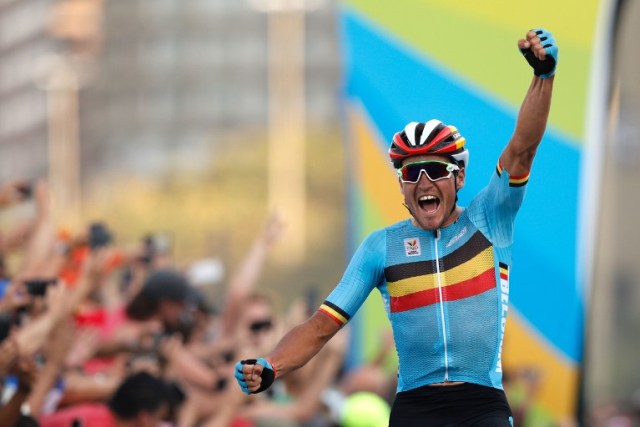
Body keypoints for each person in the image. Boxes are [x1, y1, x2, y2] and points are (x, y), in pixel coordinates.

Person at [235, 27, 559, 427]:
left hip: (482, 406)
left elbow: (522, 148)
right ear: (402, 188)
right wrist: (273, 365)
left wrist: (543, 76)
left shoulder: (490, 218)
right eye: (411, 173)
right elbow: (320, 327)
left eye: (436, 170)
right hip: (414, 409)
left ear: (459, 178)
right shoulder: (381, 248)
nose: (423, 181)